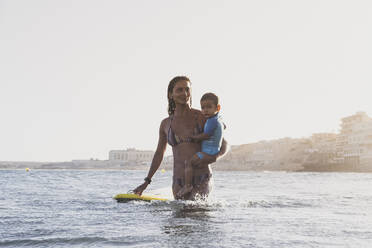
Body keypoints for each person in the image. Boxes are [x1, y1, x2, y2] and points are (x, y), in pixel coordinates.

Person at [133, 76, 228, 200]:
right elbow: (159, 154)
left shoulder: (203, 116)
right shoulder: (166, 124)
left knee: (195, 211)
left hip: (201, 177)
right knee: (180, 217)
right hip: (178, 182)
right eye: (179, 90)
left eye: (187, 90)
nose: (184, 93)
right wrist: (146, 181)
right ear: (171, 94)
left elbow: (224, 142)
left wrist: (216, 156)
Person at [176, 92, 225, 198]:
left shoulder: (212, 121)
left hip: (208, 152)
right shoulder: (218, 119)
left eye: (209, 107)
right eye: (203, 107)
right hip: (212, 151)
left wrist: (193, 137)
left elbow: (206, 135)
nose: (205, 110)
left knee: (189, 163)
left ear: (218, 107)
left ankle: (188, 185)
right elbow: (223, 126)